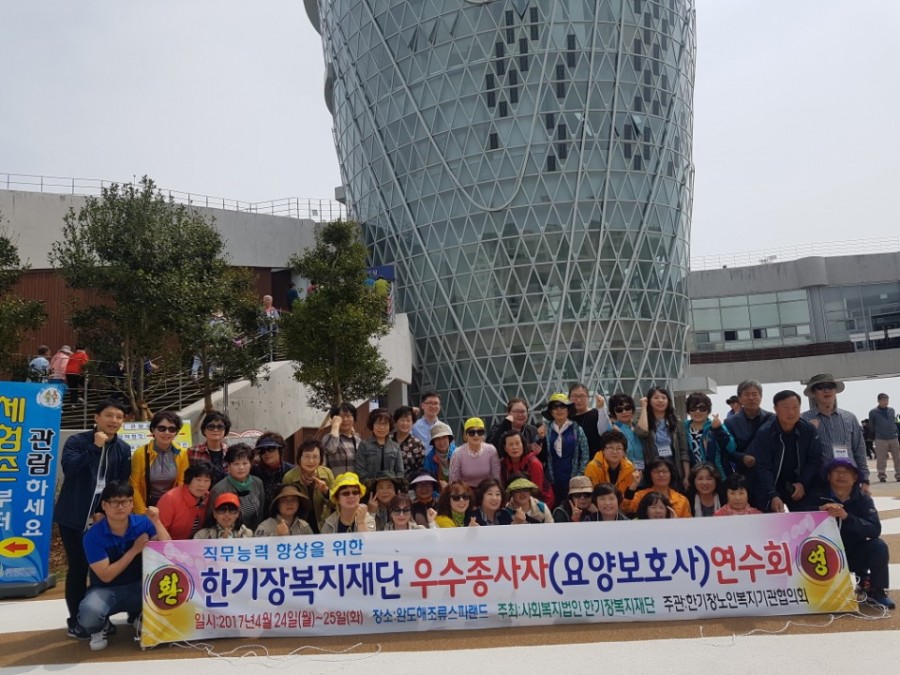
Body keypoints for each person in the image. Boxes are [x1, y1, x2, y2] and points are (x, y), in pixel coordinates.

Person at [55, 399, 132, 640]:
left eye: (119, 417)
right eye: (109, 415)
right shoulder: (77, 442)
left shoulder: (122, 448)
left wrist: (103, 511)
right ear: (96, 417)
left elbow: (119, 484)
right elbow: (70, 469)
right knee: (79, 568)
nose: (114, 421)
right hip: (74, 517)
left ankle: (99, 617)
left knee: (102, 569)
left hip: (104, 518)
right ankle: (76, 621)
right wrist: (95, 448)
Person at [76, 481, 171, 651]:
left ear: (132, 504)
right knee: (89, 615)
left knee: (170, 589)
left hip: (140, 586)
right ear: (104, 505)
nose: (120, 507)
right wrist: (134, 550)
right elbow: (106, 575)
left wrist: (156, 522)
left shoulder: (142, 523)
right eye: (115, 502)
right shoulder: (93, 536)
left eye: (125, 501)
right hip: (106, 590)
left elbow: (168, 550)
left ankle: (141, 617)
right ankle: (100, 627)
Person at [817, 457, 894, 609]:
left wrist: (847, 517)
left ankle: (877, 591)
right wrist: (817, 512)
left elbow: (874, 529)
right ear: (828, 476)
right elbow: (797, 518)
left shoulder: (864, 500)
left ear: (855, 478)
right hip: (822, 556)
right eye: (836, 471)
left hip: (853, 554)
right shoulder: (816, 497)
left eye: (846, 472)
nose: (841, 475)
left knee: (879, 546)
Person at [748, 390, 824, 513]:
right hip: (772, 486)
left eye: (795, 407)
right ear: (776, 409)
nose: (791, 412)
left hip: (800, 486)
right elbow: (763, 467)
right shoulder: (765, 433)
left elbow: (814, 460)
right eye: (786, 408)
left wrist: (802, 483)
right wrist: (772, 494)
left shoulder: (808, 430)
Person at [801, 374, 870, 489]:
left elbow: (859, 449)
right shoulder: (804, 419)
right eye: (821, 387)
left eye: (830, 386)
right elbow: (801, 454)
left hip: (849, 481)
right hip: (819, 482)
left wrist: (865, 479)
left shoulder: (849, 417)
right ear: (813, 392)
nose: (826, 390)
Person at [129, 411, 190, 514]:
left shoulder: (181, 453)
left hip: (171, 504)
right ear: (153, 429)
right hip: (146, 504)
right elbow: (134, 485)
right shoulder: (141, 453)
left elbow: (182, 483)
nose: (167, 433)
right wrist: (142, 512)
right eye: (162, 428)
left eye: (172, 429)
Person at [636, 387, 690, 490]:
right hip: (653, 471)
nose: (660, 400)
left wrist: (686, 476)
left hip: (673, 471)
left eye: (663, 398)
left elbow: (684, 451)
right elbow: (641, 432)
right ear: (649, 401)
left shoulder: (677, 423)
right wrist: (644, 407)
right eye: (656, 398)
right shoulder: (644, 421)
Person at [542, 394, 590, 503]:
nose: (559, 409)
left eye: (562, 406)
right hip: (552, 480)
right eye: (555, 407)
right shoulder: (545, 430)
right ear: (551, 412)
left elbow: (585, 454)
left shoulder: (577, 429)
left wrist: (579, 475)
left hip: (573, 479)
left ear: (568, 410)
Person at [209, 443, 267, 530]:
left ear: (251, 464)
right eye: (236, 464)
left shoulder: (258, 483)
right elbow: (211, 519)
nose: (241, 467)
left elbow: (261, 512)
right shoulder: (218, 489)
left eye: (245, 463)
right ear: (228, 466)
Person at [282, 439, 334, 534]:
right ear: (299, 458)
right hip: (298, 527)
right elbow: (285, 506)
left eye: (315, 457)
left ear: (320, 459)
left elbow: (336, 505)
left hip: (323, 525)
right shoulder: (289, 477)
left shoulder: (327, 474)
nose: (311, 461)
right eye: (307, 456)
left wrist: (326, 491)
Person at [683, 392, 737, 479]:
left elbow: (731, 448)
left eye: (702, 408)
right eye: (693, 408)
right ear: (688, 410)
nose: (697, 411)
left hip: (718, 477)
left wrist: (719, 429)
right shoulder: (683, 428)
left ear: (708, 410)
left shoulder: (716, 425)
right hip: (695, 479)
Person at [156, 462, 213, 540]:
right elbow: (157, 533)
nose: (202, 484)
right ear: (189, 480)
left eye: (206, 481)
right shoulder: (170, 499)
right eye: (198, 480)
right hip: (170, 544)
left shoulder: (209, 498)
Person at [723, 379, 769, 472]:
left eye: (754, 394)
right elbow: (726, 450)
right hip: (744, 474)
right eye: (747, 395)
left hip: (770, 473)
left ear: (761, 396)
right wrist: (742, 457)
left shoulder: (772, 419)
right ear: (740, 399)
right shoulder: (730, 423)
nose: (751, 398)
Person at [498, 429, 553, 507]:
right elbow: (504, 489)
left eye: (517, 443)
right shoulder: (503, 464)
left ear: (523, 445)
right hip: (516, 500)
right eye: (510, 444)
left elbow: (536, 492)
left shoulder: (534, 463)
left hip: (541, 502)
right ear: (505, 448)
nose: (514, 447)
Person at [621, 458, 691, 518]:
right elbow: (625, 508)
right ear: (650, 474)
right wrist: (634, 484)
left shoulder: (682, 500)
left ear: (671, 474)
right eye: (656, 471)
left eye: (664, 471)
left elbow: (687, 523)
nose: (661, 475)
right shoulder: (640, 496)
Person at [449, 417, 501, 488]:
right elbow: (454, 481)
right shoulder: (458, 453)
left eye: (480, 432)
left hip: (486, 490)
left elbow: (496, 477)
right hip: (465, 491)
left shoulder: (491, 450)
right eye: (472, 432)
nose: (476, 435)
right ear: (466, 435)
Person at [354, 408, 404, 482]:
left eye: (385, 424)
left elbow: (400, 472)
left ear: (390, 426)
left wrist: (393, 485)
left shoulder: (395, 446)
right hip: (369, 486)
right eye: (378, 423)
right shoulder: (364, 445)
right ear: (372, 425)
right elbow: (360, 471)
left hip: (391, 487)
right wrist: (372, 485)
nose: (382, 427)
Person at [251, 432, 296, 512]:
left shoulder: (293, 471)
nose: (266, 453)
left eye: (271, 449)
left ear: (280, 450)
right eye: (262, 451)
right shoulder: (253, 472)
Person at [584, 428, 635, 498]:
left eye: (619, 448)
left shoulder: (629, 467)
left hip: (619, 503)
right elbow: (590, 496)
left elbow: (627, 500)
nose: (614, 452)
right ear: (603, 449)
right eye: (610, 448)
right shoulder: (593, 467)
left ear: (624, 452)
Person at [188, 410, 231, 486]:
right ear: (204, 430)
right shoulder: (192, 452)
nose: (215, 430)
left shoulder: (230, 452)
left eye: (220, 427)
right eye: (211, 426)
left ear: (225, 431)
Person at [567, 383, 611, 454]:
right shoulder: (566, 418)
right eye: (575, 396)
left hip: (596, 458)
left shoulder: (597, 414)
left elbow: (606, 432)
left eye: (582, 396)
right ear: (569, 398)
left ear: (588, 398)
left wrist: (601, 408)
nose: (578, 400)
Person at [606, 393, 645, 470]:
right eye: (619, 410)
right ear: (614, 412)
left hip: (644, 471)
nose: (624, 412)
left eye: (627, 408)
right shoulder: (612, 430)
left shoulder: (639, 427)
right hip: (625, 472)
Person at [868, 393, 900, 483]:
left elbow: (893, 422)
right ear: (878, 401)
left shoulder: (891, 410)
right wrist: (875, 434)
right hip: (880, 438)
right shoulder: (873, 412)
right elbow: (871, 425)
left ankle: (898, 474)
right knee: (881, 458)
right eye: (883, 400)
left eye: (886, 400)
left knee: (897, 457)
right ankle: (882, 475)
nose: (885, 402)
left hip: (893, 437)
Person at [322, 402, 361, 476]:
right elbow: (331, 449)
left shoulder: (357, 440)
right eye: (341, 417)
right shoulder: (327, 438)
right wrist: (335, 426)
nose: (345, 419)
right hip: (334, 482)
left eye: (348, 416)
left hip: (354, 482)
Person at [392, 405, 427, 482]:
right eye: (402, 420)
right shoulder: (388, 440)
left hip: (409, 485)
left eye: (408, 421)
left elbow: (420, 469)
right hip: (388, 484)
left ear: (413, 423)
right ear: (396, 422)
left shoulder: (417, 444)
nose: (405, 423)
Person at [423, 422, 456, 489]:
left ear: (449, 439)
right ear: (433, 442)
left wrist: (449, 487)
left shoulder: (457, 453)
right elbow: (428, 481)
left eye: (444, 437)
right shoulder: (429, 459)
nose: (441, 442)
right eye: (437, 439)